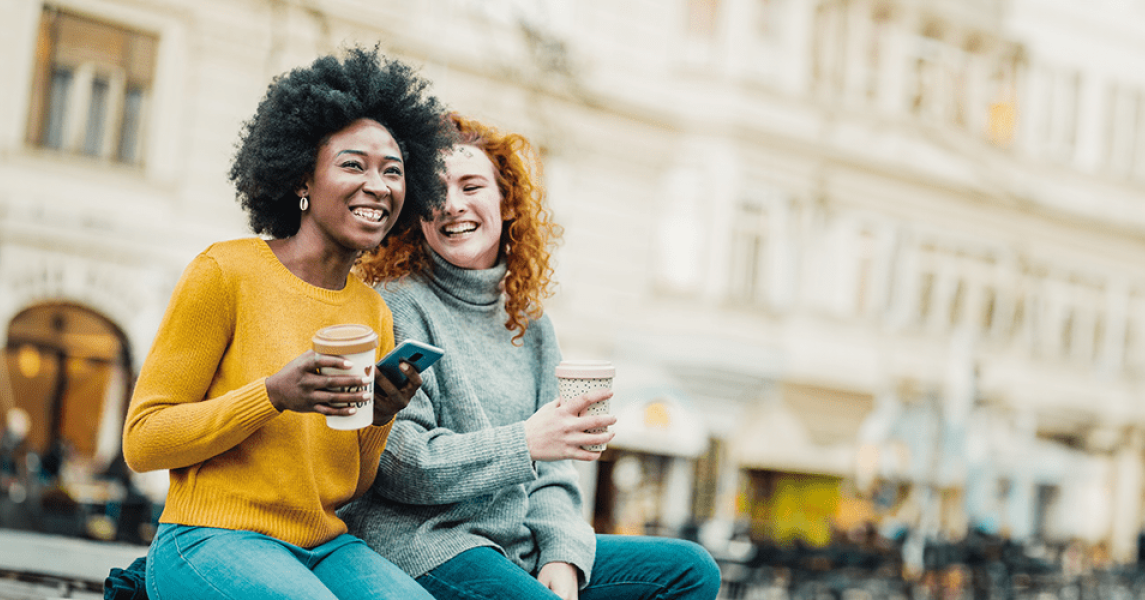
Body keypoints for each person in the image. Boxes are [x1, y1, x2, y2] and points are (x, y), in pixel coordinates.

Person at [121, 46, 454, 600]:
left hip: (323, 545)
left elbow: (350, 483)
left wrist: (377, 417)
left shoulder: (373, 311)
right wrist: (273, 394)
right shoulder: (225, 272)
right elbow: (144, 441)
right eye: (354, 164)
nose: (379, 185)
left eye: (393, 172)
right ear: (302, 178)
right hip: (208, 535)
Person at [344, 113, 721, 600]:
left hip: (515, 545)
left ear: (507, 202)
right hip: (427, 543)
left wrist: (563, 553)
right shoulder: (398, 305)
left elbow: (556, 468)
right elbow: (401, 466)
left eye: (471, 185)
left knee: (691, 570)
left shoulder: (531, 323)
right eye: (434, 192)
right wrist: (524, 441)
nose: (452, 205)